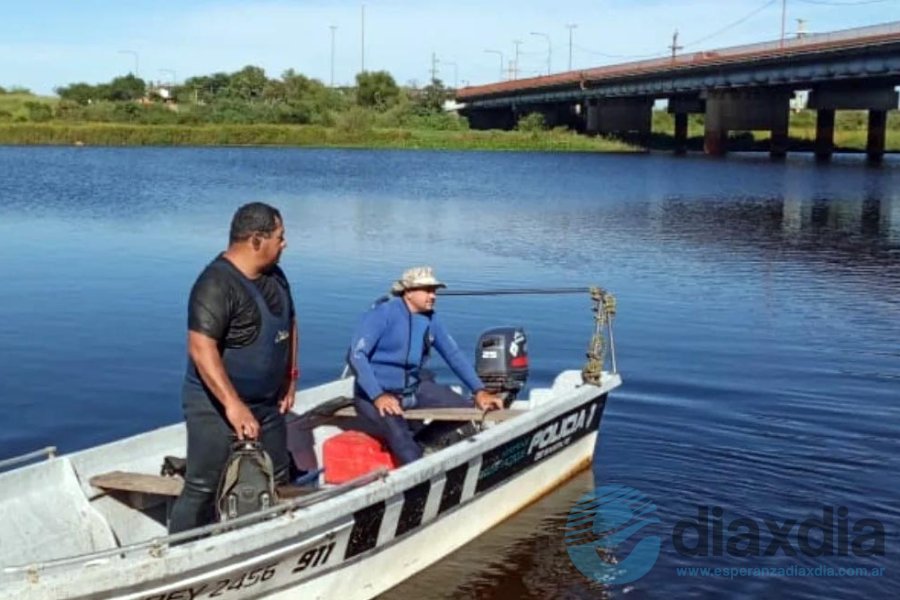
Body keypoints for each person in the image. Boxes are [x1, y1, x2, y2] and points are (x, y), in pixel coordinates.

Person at [168, 202, 298, 534]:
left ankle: (266, 541)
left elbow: (289, 322)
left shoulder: (276, 277)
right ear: (256, 240)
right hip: (215, 406)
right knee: (203, 487)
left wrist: (290, 376)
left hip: (267, 404)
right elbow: (201, 348)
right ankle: (181, 553)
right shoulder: (215, 284)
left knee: (278, 476)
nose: (284, 243)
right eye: (280, 237)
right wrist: (233, 405)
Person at [347, 266, 503, 465]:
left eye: (434, 291)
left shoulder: (431, 319)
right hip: (375, 395)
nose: (433, 296)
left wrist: (479, 390)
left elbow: (453, 355)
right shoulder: (382, 314)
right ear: (408, 292)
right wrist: (378, 396)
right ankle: (415, 464)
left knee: (464, 410)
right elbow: (357, 356)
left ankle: (421, 443)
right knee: (401, 437)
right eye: (427, 290)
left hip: (411, 390)